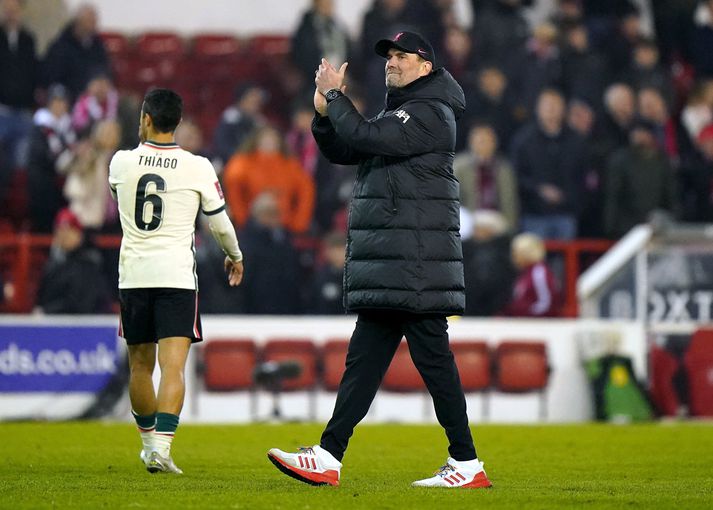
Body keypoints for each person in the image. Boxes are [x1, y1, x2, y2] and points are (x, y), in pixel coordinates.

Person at [268, 31, 492, 489]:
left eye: (402, 56)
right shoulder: (403, 112)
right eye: (389, 56)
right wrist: (324, 112)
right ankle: (330, 455)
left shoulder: (429, 112)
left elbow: (364, 135)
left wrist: (335, 95)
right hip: (400, 262)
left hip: (414, 263)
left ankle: (466, 462)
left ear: (425, 66)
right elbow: (345, 147)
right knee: (367, 362)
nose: (392, 62)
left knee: (431, 362)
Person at [108, 88, 244, 475]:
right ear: (179, 122)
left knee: (139, 366)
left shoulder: (120, 162)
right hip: (177, 277)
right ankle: (163, 449)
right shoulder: (198, 166)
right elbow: (219, 222)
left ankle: (149, 444)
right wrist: (235, 256)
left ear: (146, 119)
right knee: (173, 367)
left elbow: (117, 195)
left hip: (134, 274)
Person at [35, 208, 110, 314]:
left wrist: (48, 311)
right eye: (60, 231)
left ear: (79, 234)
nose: (64, 236)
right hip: (54, 325)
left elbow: (82, 304)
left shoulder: (89, 264)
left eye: (68, 231)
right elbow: (42, 298)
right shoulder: (52, 265)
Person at [502, 232, 562, 317]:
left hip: (538, 324)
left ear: (526, 253)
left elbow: (547, 304)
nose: (514, 257)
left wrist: (524, 314)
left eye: (516, 253)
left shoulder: (539, 272)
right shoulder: (526, 272)